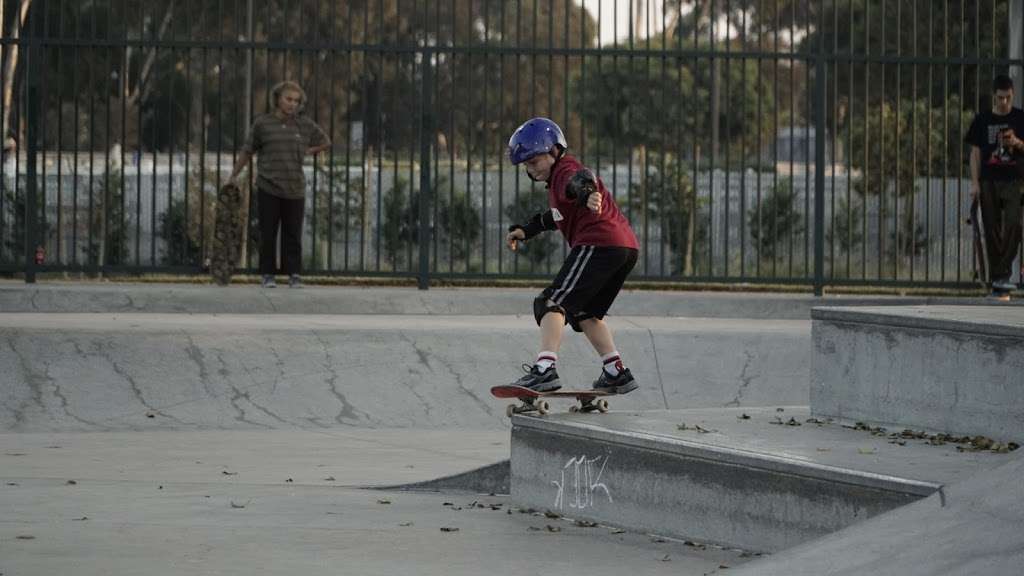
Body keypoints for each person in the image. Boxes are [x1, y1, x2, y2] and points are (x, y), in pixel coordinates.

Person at [504, 117, 640, 394]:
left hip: (599, 243)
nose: (531, 169)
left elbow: (579, 180)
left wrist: (588, 193)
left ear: (554, 151)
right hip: (624, 248)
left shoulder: (566, 170)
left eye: (534, 161)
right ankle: (615, 372)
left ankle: (544, 369)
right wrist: (525, 231)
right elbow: (556, 216)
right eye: (526, 165)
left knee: (550, 302)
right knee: (584, 312)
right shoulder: (555, 184)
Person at [228, 81, 331, 288]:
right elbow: (248, 150)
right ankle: (267, 274)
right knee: (268, 232)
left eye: (296, 101)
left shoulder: (304, 125)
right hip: (268, 186)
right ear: (277, 99)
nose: (292, 104)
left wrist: (308, 151)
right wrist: (233, 175)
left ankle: (294, 274)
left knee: (293, 234)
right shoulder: (262, 124)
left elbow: (325, 141)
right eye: (288, 99)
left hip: (295, 188)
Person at [966, 74, 1024, 299]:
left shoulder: (1020, 118)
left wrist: (1017, 142)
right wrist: (974, 183)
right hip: (988, 181)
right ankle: (999, 283)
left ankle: (1003, 275)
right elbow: (975, 154)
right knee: (991, 230)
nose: (1004, 103)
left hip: (1014, 180)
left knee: (1013, 225)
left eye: (1008, 98)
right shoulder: (983, 120)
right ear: (994, 96)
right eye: (1000, 98)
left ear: (1013, 95)